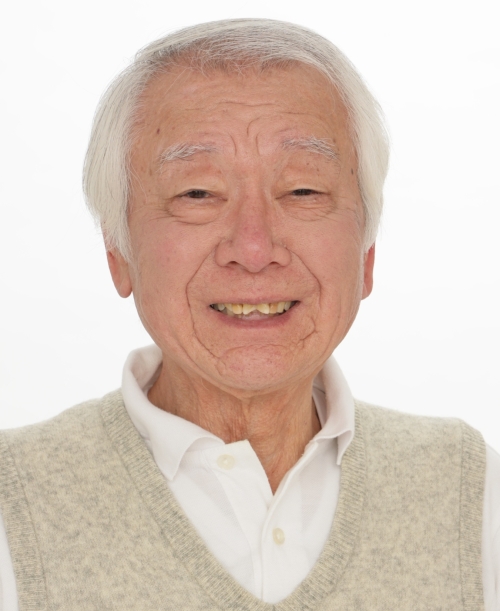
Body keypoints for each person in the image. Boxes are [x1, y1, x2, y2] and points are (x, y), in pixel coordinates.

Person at [0, 18, 498, 610]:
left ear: (366, 251)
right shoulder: (15, 502)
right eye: (197, 194)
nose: (255, 248)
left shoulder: (473, 495)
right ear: (118, 252)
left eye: (303, 191)